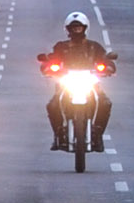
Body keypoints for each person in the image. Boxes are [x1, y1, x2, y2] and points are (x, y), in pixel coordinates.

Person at [44, 11, 115, 151]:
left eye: (79, 27)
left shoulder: (94, 46)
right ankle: (58, 134)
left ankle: (98, 134)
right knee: (52, 105)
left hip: (90, 83)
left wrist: (108, 66)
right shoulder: (61, 47)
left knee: (105, 103)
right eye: (73, 28)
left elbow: (105, 59)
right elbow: (52, 60)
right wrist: (48, 66)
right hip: (66, 83)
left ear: (85, 28)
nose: (76, 30)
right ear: (68, 29)